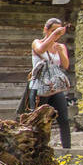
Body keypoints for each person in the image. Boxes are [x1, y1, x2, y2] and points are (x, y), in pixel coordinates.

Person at [29, 18, 72, 149]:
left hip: (55, 89)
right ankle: (35, 149)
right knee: (38, 121)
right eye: (53, 31)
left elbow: (65, 65)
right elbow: (41, 50)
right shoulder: (37, 43)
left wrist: (60, 51)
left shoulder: (60, 46)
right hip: (38, 88)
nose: (56, 35)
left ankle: (67, 150)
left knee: (63, 119)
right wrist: (53, 35)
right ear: (46, 30)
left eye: (58, 33)